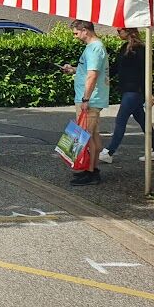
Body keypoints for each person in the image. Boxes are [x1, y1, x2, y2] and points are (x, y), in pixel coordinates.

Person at [100, 28, 154, 164]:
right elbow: (116, 67)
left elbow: (146, 72)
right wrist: (104, 76)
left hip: (135, 91)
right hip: (128, 90)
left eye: (119, 31)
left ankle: (109, 151)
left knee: (121, 120)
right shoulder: (124, 47)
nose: (117, 33)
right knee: (143, 120)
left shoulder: (141, 49)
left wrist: (149, 92)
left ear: (128, 31)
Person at [61, 20, 110, 186]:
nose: (75, 37)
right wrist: (74, 69)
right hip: (91, 98)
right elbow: (88, 70)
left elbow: (93, 75)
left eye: (76, 33)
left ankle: (91, 173)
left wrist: (85, 98)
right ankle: (92, 170)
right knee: (92, 135)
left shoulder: (95, 48)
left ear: (85, 30)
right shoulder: (94, 47)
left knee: (87, 137)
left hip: (90, 99)